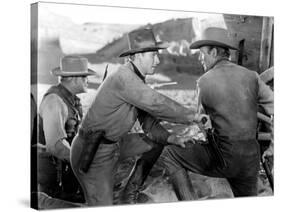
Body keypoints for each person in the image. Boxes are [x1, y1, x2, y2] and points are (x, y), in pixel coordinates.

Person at [70, 28, 208, 206]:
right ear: (137, 56)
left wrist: (171, 138)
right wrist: (194, 116)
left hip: (114, 144)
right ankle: (45, 201)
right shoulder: (124, 78)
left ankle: (129, 194)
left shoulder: (135, 79)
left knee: (156, 143)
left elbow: (148, 121)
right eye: (153, 55)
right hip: (93, 151)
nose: (157, 60)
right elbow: (157, 103)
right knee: (101, 206)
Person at [160, 27, 274, 199]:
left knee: (170, 154)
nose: (200, 59)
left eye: (202, 54)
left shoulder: (203, 82)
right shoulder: (252, 76)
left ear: (213, 52)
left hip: (225, 158)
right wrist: (273, 146)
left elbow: (202, 123)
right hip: (251, 159)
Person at [37, 55, 96, 203]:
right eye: (85, 77)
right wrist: (85, 161)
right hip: (51, 182)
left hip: (64, 173)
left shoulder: (72, 100)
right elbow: (56, 146)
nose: (87, 81)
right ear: (75, 78)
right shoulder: (54, 101)